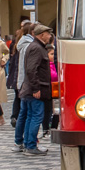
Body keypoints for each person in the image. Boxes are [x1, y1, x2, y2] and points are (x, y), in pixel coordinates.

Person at [16, 24, 53, 156]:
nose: (50, 36)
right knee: (36, 117)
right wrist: (36, 88)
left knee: (31, 116)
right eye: (48, 33)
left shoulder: (36, 46)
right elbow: (32, 70)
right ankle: (31, 145)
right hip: (34, 90)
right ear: (41, 34)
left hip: (30, 89)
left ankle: (28, 144)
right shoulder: (37, 48)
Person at [11, 22, 36, 128]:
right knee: (27, 112)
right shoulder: (29, 45)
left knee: (22, 108)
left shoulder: (21, 43)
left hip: (20, 79)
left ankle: (20, 137)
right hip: (25, 80)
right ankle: (25, 138)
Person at [41, 45, 58, 136]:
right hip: (48, 89)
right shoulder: (46, 65)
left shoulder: (55, 64)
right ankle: (45, 128)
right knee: (47, 109)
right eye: (51, 54)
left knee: (56, 110)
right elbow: (53, 76)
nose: (53, 56)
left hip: (55, 89)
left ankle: (54, 127)